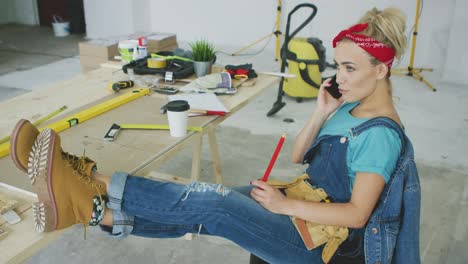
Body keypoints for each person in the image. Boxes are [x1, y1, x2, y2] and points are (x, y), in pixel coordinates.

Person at [9, 7, 420, 264]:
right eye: (339, 65)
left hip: (319, 246)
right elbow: (300, 156)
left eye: (350, 68)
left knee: (213, 202)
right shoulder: (346, 106)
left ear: (381, 70)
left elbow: (357, 215)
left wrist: (279, 207)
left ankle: (88, 182)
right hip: (302, 206)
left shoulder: (381, 136)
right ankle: (92, 211)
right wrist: (320, 112)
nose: (338, 77)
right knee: (202, 209)